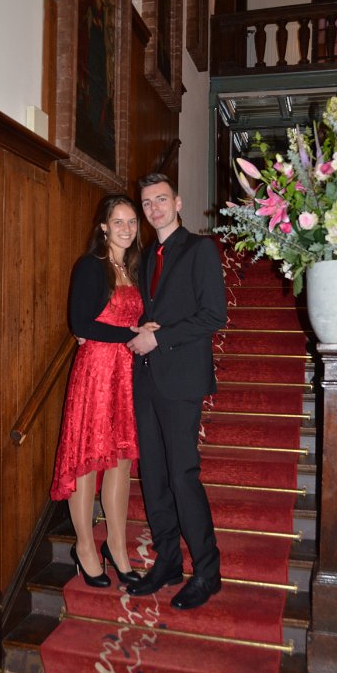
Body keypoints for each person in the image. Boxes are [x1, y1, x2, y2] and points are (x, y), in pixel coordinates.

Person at [126, 173, 227, 610]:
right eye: (147, 203)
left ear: (178, 202)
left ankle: (207, 571)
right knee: (153, 474)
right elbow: (156, 310)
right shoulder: (149, 255)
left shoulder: (200, 249)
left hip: (181, 378)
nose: (154, 208)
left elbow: (214, 315)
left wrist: (159, 337)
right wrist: (143, 328)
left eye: (161, 200)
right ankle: (168, 561)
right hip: (147, 378)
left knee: (182, 474)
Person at [50, 194, 146, 588]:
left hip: (126, 375)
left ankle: (118, 548)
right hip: (96, 374)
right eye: (118, 222)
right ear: (104, 226)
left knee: (120, 462)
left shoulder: (135, 268)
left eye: (132, 222)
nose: (126, 229)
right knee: (88, 460)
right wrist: (130, 334)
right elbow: (81, 324)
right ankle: (86, 548)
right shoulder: (91, 265)